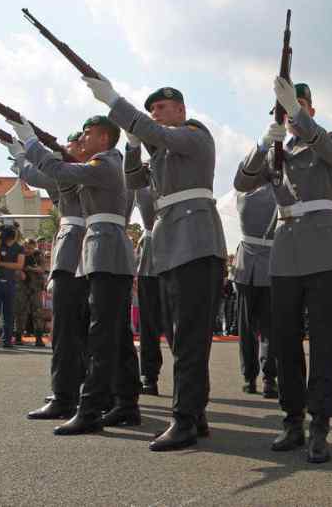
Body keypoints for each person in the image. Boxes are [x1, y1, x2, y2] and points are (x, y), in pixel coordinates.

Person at [86, 75, 227, 450]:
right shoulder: (162, 151)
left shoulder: (195, 134)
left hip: (196, 242)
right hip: (170, 247)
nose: (156, 114)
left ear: (181, 110)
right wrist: (132, 145)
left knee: (192, 337)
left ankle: (184, 419)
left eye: (162, 108)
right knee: (179, 337)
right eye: (151, 110)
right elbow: (134, 181)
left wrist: (115, 100)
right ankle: (195, 415)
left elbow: (159, 134)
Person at [235, 79, 332, 463]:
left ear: (311, 110)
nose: (290, 112)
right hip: (284, 249)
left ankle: (320, 423)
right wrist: (259, 145)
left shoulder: (325, 138)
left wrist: (297, 113)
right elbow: (241, 182)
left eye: (299, 104)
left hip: (322, 246)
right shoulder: (274, 150)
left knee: (322, 339)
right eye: (284, 107)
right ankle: (292, 419)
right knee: (284, 339)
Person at [16, 114, 142, 436]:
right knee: (111, 333)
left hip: (106, 250)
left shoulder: (106, 163)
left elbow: (56, 172)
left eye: (87, 134)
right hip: (99, 250)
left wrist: (29, 143)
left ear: (103, 138)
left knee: (103, 334)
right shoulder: (105, 163)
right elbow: (59, 177)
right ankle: (123, 403)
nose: (82, 140)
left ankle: (92, 407)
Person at [11, 131, 93, 422]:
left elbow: (41, 175)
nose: (69, 149)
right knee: (75, 328)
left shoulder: (90, 169)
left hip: (81, 248)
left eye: (74, 144)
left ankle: (69, 393)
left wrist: (23, 150)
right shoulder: (79, 171)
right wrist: (19, 153)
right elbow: (40, 175)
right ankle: (77, 387)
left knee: (71, 328)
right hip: (79, 247)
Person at [124, 140, 166, 397]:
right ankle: (149, 374)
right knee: (149, 324)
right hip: (151, 257)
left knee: (180, 324)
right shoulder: (143, 182)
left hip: (178, 250)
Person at [231, 183, 280, 398]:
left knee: (246, 328)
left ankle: (249, 378)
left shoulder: (243, 195)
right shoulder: (278, 194)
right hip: (270, 265)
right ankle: (270, 379)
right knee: (270, 329)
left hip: (245, 268)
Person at [0, 224, 25, 348]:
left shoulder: (19, 248)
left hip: (10, 283)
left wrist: (2, 263)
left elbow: (19, 265)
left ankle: (7, 340)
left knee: (9, 313)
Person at [13, 238, 46, 347]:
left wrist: (30, 268)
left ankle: (39, 338)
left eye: (31, 248)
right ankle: (18, 336)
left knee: (38, 312)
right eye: (27, 247)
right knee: (20, 311)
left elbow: (42, 269)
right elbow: (15, 268)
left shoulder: (38, 255)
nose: (29, 250)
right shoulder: (19, 254)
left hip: (35, 287)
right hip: (22, 287)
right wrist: (20, 271)